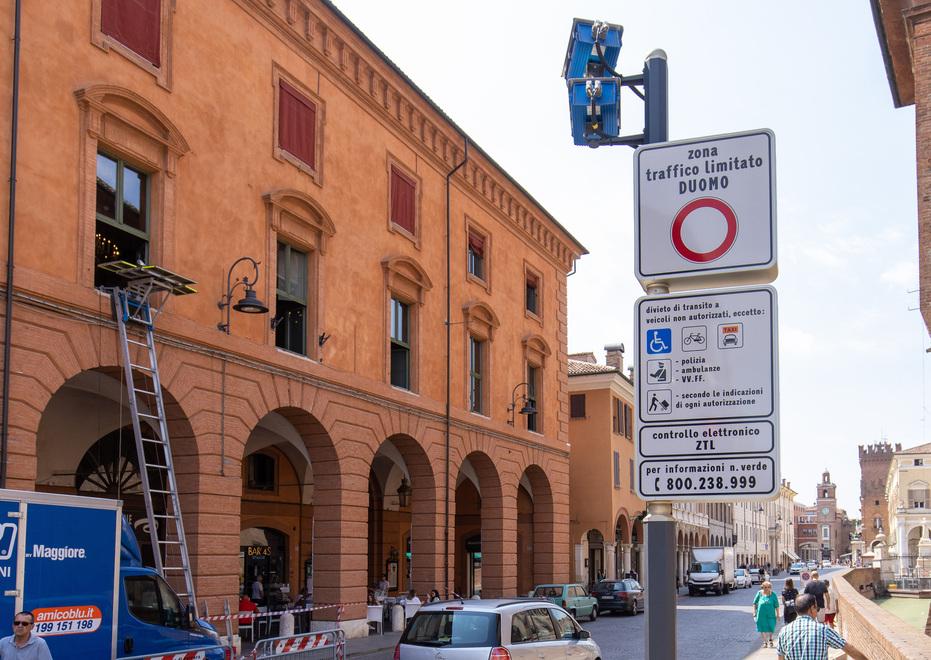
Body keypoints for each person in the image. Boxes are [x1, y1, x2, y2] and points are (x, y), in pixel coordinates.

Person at [776, 593, 867, 659]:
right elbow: (848, 649)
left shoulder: (784, 631)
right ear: (812, 608)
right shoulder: (822, 630)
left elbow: (781, 658)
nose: (817, 610)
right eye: (817, 608)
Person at [752, 580, 780, 648]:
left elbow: (776, 605)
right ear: (762, 587)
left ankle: (770, 639)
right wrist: (754, 612)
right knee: (762, 628)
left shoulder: (773, 594)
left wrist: (778, 615)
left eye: (768, 587)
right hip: (761, 615)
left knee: (771, 627)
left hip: (771, 615)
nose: (766, 588)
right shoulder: (759, 593)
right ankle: (765, 642)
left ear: (770, 587)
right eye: (765, 587)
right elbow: (754, 603)